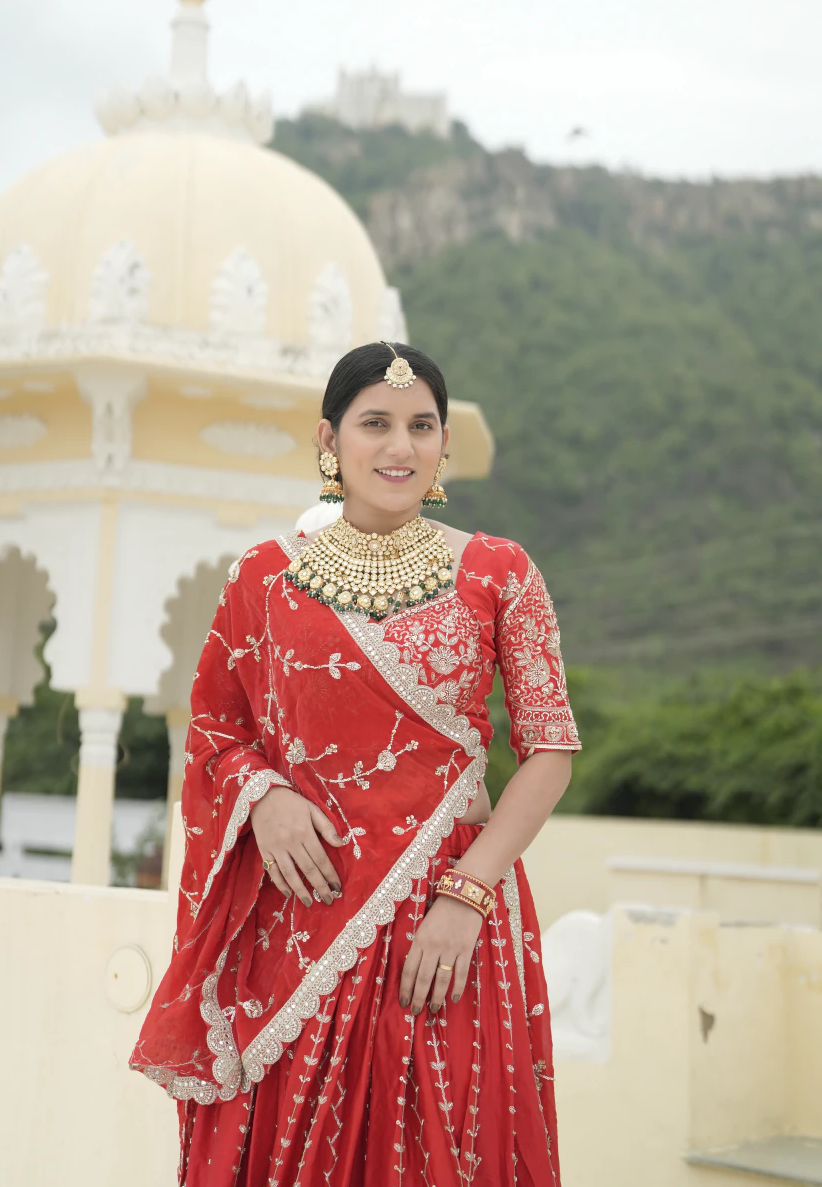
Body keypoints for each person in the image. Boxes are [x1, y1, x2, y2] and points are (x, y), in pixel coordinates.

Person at [130, 341, 581, 1186]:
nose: (400, 447)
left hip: (443, 931)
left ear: (444, 445)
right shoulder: (265, 579)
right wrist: (261, 795)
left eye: (421, 425)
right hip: (299, 922)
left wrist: (469, 893)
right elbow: (215, 732)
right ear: (329, 440)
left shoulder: (498, 573)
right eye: (375, 424)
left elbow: (549, 749)